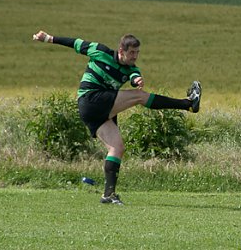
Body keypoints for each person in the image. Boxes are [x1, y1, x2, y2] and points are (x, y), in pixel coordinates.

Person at [32, 30, 201, 205]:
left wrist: (137, 80)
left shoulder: (131, 69)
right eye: (132, 52)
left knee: (117, 148)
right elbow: (75, 42)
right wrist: (49, 39)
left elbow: (134, 76)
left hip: (97, 111)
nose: (135, 56)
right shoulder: (100, 51)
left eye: (137, 52)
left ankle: (108, 195)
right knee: (139, 97)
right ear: (121, 50)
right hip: (90, 100)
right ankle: (188, 104)